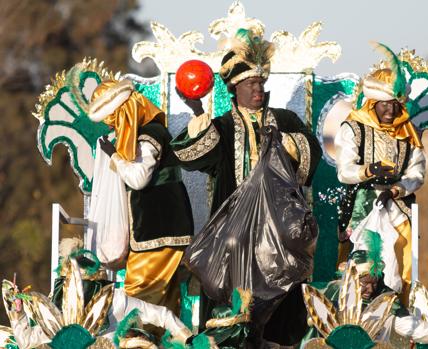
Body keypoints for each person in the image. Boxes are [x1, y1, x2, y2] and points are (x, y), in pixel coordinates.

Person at [172, 29, 322, 348]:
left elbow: (313, 151)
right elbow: (191, 156)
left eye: (260, 82)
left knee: (281, 307)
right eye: (250, 83)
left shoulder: (284, 119)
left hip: (278, 233)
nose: (258, 88)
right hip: (236, 236)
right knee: (235, 309)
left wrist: (284, 144)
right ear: (234, 87)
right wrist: (198, 111)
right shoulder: (223, 127)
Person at [89, 79, 194, 313]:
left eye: (114, 119)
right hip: (160, 232)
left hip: (156, 232)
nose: (113, 127)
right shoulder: (146, 134)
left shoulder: (149, 135)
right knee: (163, 305)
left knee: (137, 302)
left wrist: (114, 156)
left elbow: (138, 179)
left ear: (125, 112)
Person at [335, 44, 426, 305]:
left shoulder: (408, 133)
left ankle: (400, 316)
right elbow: (344, 171)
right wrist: (368, 171)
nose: (390, 111)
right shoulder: (355, 128)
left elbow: (417, 173)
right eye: (384, 104)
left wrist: (397, 190)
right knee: (361, 268)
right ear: (373, 103)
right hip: (363, 207)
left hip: (398, 207)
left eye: (395, 105)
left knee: (403, 265)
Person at [2, 238, 192, 349]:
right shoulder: (56, 315)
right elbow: (27, 341)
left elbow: (25, 340)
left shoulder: (114, 301)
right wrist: (18, 313)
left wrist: (188, 338)